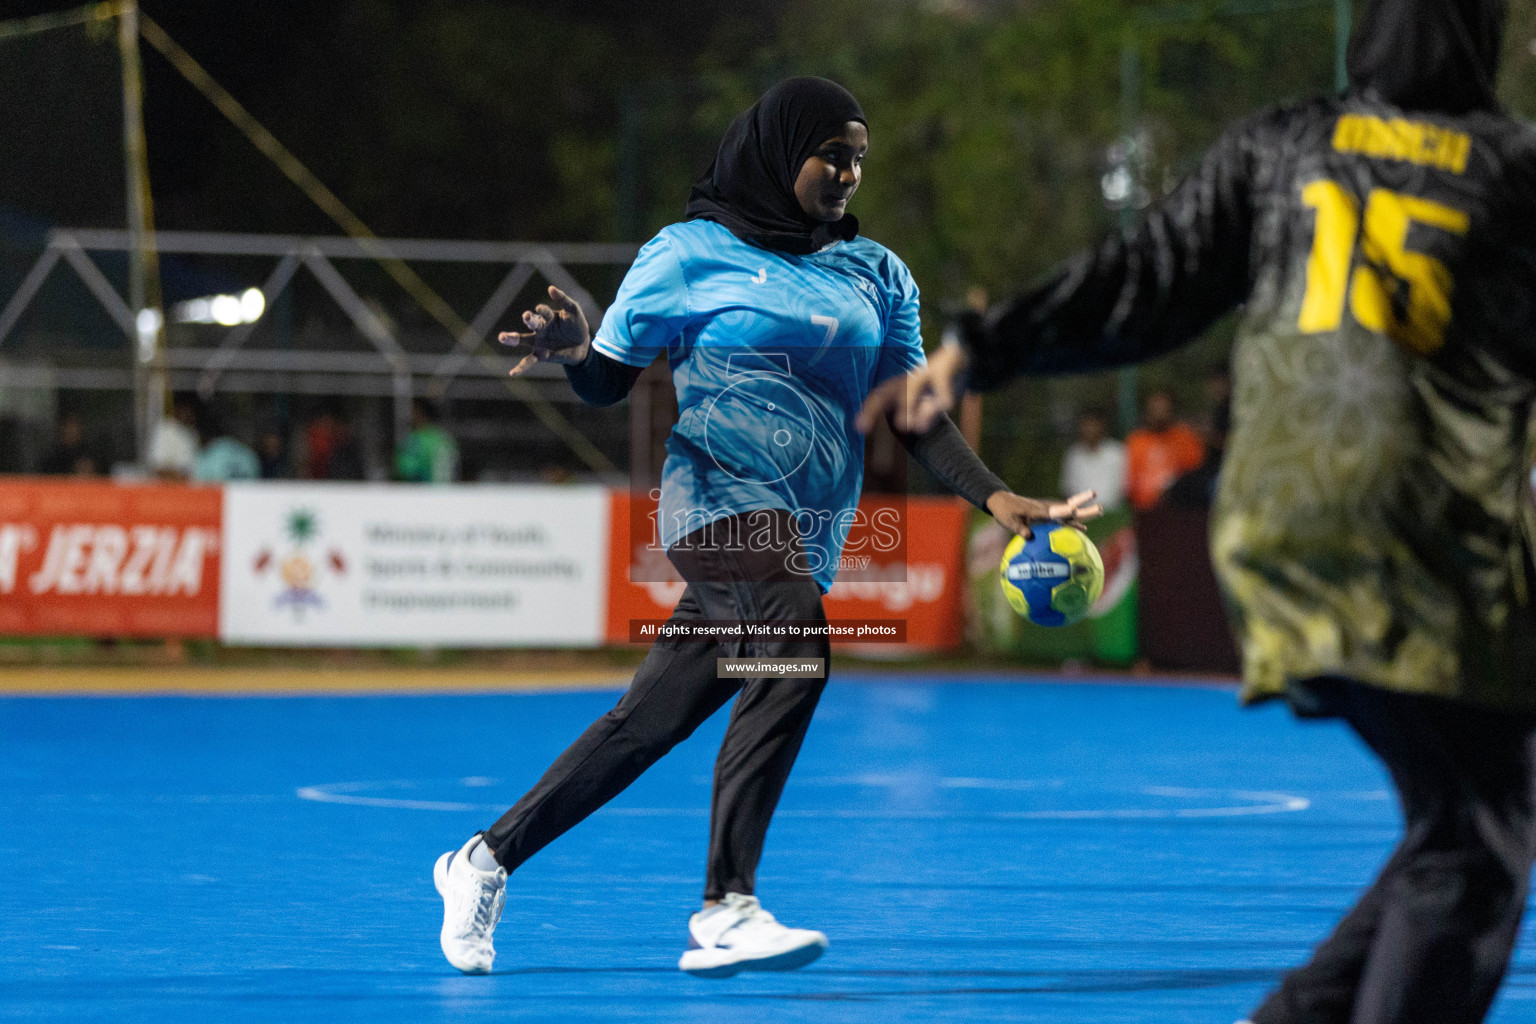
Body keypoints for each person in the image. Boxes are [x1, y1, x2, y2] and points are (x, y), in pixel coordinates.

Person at [860, 1, 1536, 1020]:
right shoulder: (1512, 169)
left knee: (1465, 820)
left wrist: (980, 347)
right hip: (1425, 542)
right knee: (1474, 848)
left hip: (1272, 522)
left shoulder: (1289, 141)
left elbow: (1146, 278)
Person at [431, 77, 1098, 979]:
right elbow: (606, 382)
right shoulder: (687, 252)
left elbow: (911, 410)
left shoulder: (876, 273)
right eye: (834, 155)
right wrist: (572, 351)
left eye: (861, 158)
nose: (850, 173)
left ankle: (482, 860)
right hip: (715, 507)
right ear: (784, 154)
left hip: (802, 533)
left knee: (645, 726)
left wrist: (997, 497)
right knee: (796, 644)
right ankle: (727, 906)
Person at [1124, 390, 1204, 511]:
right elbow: (1129, 482)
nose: (1159, 413)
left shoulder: (1186, 438)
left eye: (1163, 409)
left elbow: (1194, 475)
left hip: (1178, 508)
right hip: (1143, 509)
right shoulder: (1136, 441)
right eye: (1154, 409)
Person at [1060, 407, 1126, 511]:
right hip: (1082, 513)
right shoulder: (1073, 456)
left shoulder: (1117, 452)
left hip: (1112, 513)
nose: (1090, 429)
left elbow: (1125, 486)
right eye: (1086, 425)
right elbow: (1068, 490)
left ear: (1102, 426)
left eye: (1093, 425)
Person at [394, 398, 459, 483]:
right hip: (449, 493)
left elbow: (405, 471)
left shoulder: (415, 440)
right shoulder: (446, 439)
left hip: (425, 493)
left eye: (412, 411)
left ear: (420, 413)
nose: (410, 416)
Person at [147, 395, 201, 482]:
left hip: (190, 488)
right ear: (178, 409)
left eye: (191, 411)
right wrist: (179, 479)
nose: (189, 414)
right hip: (168, 488)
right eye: (186, 410)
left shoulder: (192, 434)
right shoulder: (165, 429)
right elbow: (158, 467)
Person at [38, 412, 99, 477]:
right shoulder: (51, 457)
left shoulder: (89, 454)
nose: (71, 430)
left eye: (74, 425)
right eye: (67, 425)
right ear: (61, 428)